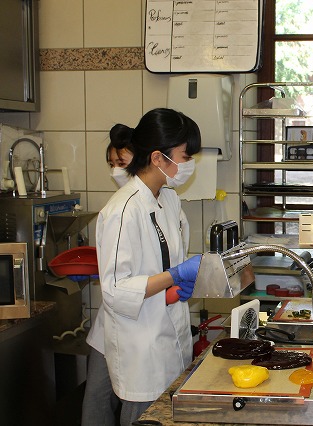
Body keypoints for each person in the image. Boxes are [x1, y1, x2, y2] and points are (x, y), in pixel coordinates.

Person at [84, 108, 202, 426]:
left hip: (170, 337)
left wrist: (177, 285)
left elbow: (167, 261)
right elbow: (116, 290)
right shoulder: (123, 210)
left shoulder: (168, 200)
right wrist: (174, 275)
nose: (189, 163)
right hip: (142, 352)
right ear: (158, 158)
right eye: (185, 156)